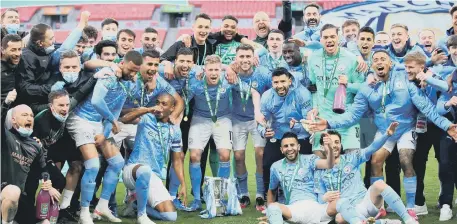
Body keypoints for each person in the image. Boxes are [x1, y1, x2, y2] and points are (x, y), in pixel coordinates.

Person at [305, 49, 457, 218]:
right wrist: (328, 122)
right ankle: (378, 206)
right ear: (372, 66)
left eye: (383, 59)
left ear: (390, 63)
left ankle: (411, 207)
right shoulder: (365, 89)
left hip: (406, 128)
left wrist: (447, 125)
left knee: (405, 159)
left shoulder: (404, 80)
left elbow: (426, 107)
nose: (379, 62)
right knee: (376, 161)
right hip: (385, 131)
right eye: (375, 59)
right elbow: (353, 115)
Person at [66, 50, 142, 223]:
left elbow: (115, 109)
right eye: (131, 70)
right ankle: (84, 211)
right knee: (92, 165)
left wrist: (104, 133)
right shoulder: (108, 75)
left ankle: (102, 206)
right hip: (81, 119)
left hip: (99, 123)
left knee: (117, 162)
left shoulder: (131, 83)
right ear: (122, 63)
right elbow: (96, 101)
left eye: (136, 71)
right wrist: (111, 119)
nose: (133, 74)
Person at [186, 55, 261, 211]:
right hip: (200, 119)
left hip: (223, 119)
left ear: (221, 70)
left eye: (216, 70)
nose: (214, 73)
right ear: (204, 70)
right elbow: (182, 99)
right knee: (194, 156)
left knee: (225, 155)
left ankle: (218, 197)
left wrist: (258, 112)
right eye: (210, 70)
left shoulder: (229, 80)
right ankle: (197, 200)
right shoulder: (196, 81)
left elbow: (254, 93)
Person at [315, 125, 419, 224]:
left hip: (364, 203)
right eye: (330, 143)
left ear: (341, 145)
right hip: (345, 209)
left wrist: (386, 135)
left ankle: (408, 219)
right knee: (339, 219)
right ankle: (382, 222)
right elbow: (319, 200)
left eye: (337, 142)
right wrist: (325, 197)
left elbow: (372, 148)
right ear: (322, 146)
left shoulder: (351, 158)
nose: (334, 146)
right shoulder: (319, 170)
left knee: (379, 184)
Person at [120, 93, 186, 223]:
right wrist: (146, 109)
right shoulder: (146, 118)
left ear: (172, 108)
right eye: (157, 103)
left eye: (164, 104)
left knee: (171, 216)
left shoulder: (175, 130)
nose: (159, 106)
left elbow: (177, 160)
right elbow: (124, 120)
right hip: (133, 170)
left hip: (153, 176)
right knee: (144, 170)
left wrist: (183, 184)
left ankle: (134, 204)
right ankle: (141, 215)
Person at [257, 67, 313, 202]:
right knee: (267, 164)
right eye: (276, 82)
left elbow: (310, 122)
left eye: (283, 81)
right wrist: (264, 132)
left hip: (300, 136)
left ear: (289, 81)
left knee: (306, 167)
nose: (279, 86)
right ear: (272, 83)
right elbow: (261, 121)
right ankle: (269, 199)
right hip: (278, 136)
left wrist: (298, 126)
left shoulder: (302, 94)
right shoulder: (267, 97)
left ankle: (306, 196)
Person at [307, 23, 364, 156]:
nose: (329, 40)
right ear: (320, 40)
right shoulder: (313, 58)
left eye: (332, 36)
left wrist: (348, 85)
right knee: (320, 159)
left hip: (347, 119)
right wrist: (315, 106)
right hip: (323, 118)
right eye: (325, 37)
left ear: (339, 38)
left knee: (352, 161)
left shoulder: (351, 59)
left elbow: (362, 89)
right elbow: (314, 87)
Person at [1, 104, 61, 224]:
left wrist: (48, 183)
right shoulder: (5, 137)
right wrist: (6, 104)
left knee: (45, 223)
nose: (29, 118)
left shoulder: (35, 145)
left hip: (19, 198)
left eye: (32, 116)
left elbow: (44, 169)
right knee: (13, 191)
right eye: (24, 115)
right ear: (13, 120)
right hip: (4, 192)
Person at [230, 44, 271, 210]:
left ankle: (260, 194)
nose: (245, 60)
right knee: (238, 156)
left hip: (257, 119)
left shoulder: (262, 74)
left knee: (260, 154)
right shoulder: (231, 74)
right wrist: (228, 68)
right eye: (242, 57)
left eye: (248, 56)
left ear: (253, 58)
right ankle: (244, 194)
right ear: (236, 58)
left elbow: (273, 89)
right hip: (237, 120)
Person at [263, 132, 335, 224]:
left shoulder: (310, 159)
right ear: (281, 149)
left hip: (315, 206)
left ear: (299, 147)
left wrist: (329, 148)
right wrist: (270, 213)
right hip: (293, 209)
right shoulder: (276, 167)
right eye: (286, 146)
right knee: (273, 207)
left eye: (292, 145)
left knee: (340, 203)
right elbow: (271, 190)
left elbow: (329, 164)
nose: (289, 148)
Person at [1, 34, 21, 110]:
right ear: (3, 50)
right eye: (13, 50)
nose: (18, 54)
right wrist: (6, 103)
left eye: (19, 49)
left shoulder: (20, 64)